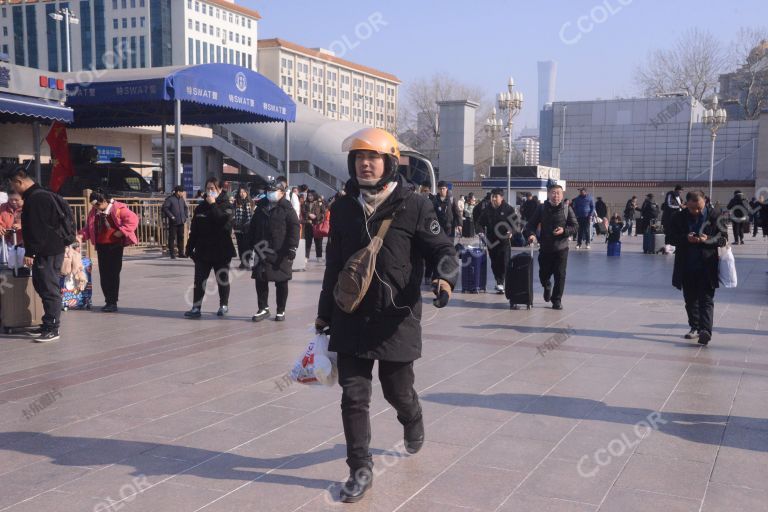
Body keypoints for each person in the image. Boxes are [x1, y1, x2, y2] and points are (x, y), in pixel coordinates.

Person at [315, 127, 457, 503]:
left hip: (397, 319)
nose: (365, 163)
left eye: (373, 157)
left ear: (390, 163)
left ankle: (412, 417)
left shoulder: (415, 204)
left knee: (397, 391)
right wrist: (323, 315)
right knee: (353, 397)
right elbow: (334, 267)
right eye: (359, 157)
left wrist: (445, 277)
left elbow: (441, 246)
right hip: (351, 317)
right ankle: (359, 469)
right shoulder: (344, 207)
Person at [10, 168, 68, 342]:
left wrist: (30, 252)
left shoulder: (37, 198)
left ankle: (52, 328)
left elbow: (37, 229)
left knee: (49, 288)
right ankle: (47, 324)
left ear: (19, 181)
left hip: (48, 250)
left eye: (12, 185)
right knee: (42, 285)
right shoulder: (39, 194)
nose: (13, 188)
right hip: (48, 249)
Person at [667, 190, 727, 346]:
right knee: (690, 299)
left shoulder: (715, 216)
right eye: (692, 209)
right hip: (686, 265)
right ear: (686, 204)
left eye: (699, 208)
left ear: (705, 201)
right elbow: (670, 238)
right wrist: (685, 238)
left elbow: (723, 239)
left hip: (707, 265)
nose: (696, 212)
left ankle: (705, 330)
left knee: (706, 299)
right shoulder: (678, 217)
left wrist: (709, 240)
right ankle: (695, 326)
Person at [248, 180, 300, 322]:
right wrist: (249, 246)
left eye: (273, 190)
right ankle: (263, 308)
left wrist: (292, 247)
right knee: (260, 278)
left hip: (280, 250)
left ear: (282, 192)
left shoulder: (287, 209)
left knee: (281, 281)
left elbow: (294, 228)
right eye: (268, 190)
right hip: (261, 250)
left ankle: (280, 310)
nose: (270, 193)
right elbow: (253, 227)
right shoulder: (261, 207)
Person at [78, 191, 139, 313]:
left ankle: (112, 302)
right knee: (104, 274)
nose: (96, 208)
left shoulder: (118, 209)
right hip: (101, 246)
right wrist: (80, 236)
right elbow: (89, 228)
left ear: (105, 201)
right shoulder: (95, 212)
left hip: (115, 246)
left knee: (113, 274)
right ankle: (108, 300)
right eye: (94, 206)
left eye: (98, 205)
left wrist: (121, 231)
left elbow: (133, 219)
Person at [184, 177, 235, 318]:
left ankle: (223, 305)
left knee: (222, 279)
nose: (209, 191)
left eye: (212, 188)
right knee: (199, 280)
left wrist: (213, 205)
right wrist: (189, 248)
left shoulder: (228, 206)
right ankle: (196, 307)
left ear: (219, 190)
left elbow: (222, 222)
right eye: (208, 188)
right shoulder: (200, 208)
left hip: (221, 250)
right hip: (203, 250)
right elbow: (194, 230)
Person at [525, 182, 577, 310]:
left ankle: (557, 300)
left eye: (558, 193)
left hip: (562, 247)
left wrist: (564, 231)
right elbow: (530, 225)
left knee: (560, 275)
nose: (556, 196)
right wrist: (531, 235)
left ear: (562, 194)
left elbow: (575, 227)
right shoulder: (541, 208)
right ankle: (547, 285)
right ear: (548, 194)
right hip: (545, 247)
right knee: (543, 274)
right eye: (553, 193)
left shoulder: (566, 209)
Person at [478, 188, 518, 293]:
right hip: (491, 240)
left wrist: (511, 231)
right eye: (493, 196)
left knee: (504, 262)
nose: (494, 199)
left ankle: (502, 282)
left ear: (502, 197)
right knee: (495, 263)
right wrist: (481, 232)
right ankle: (498, 281)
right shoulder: (487, 209)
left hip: (504, 241)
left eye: (496, 197)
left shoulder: (508, 209)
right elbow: (480, 223)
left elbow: (516, 223)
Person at [162, 186, 188, 259]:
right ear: (178, 192)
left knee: (181, 237)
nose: (183, 193)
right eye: (182, 192)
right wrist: (171, 216)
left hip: (181, 221)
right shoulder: (170, 199)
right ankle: (172, 254)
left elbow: (185, 208)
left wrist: (185, 216)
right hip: (173, 222)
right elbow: (165, 208)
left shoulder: (182, 199)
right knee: (172, 237)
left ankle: (181, 253)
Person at [233, 186, 255, 269]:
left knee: (248, 245)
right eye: (240, 192)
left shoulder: (251, 202)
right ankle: (242, 261)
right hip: (238, 227)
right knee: (240, 245)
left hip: (248, 227)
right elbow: (233, 214)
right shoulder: (236, 202)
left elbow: (253, 214)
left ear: (247, 193)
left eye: (243, 192)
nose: (242, 194)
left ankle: (247, 260)